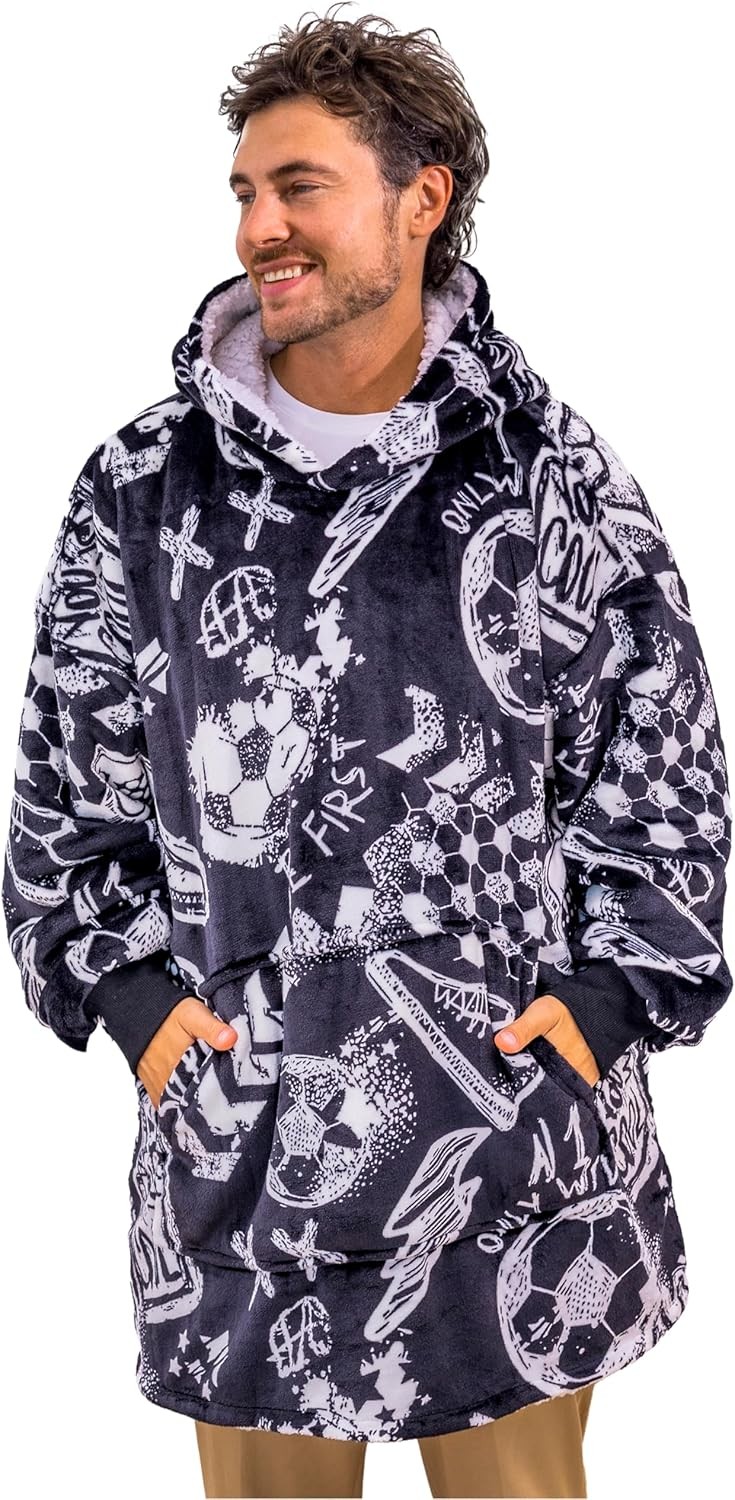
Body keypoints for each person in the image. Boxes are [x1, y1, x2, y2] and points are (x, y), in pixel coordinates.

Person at [4, 6, 732, 1498]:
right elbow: (69, 790)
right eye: (244, 192)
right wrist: (137, 1002)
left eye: (300, 187)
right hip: (243, 1178)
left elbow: (661, 768)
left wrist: (607, 1001)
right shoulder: (145, 489)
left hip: (514, 1182)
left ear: (421, 199)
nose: (257, 227)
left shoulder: (552, 478)